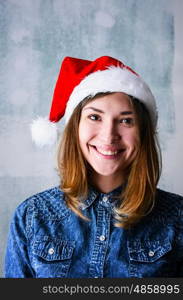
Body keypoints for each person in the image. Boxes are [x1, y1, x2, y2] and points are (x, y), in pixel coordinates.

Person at [4, 56, 183, 278]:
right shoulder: (31, 216)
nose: (109, 136)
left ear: (143, 133)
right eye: (95, 117)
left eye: (126, 120)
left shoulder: (178, 217)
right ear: (75, 128)